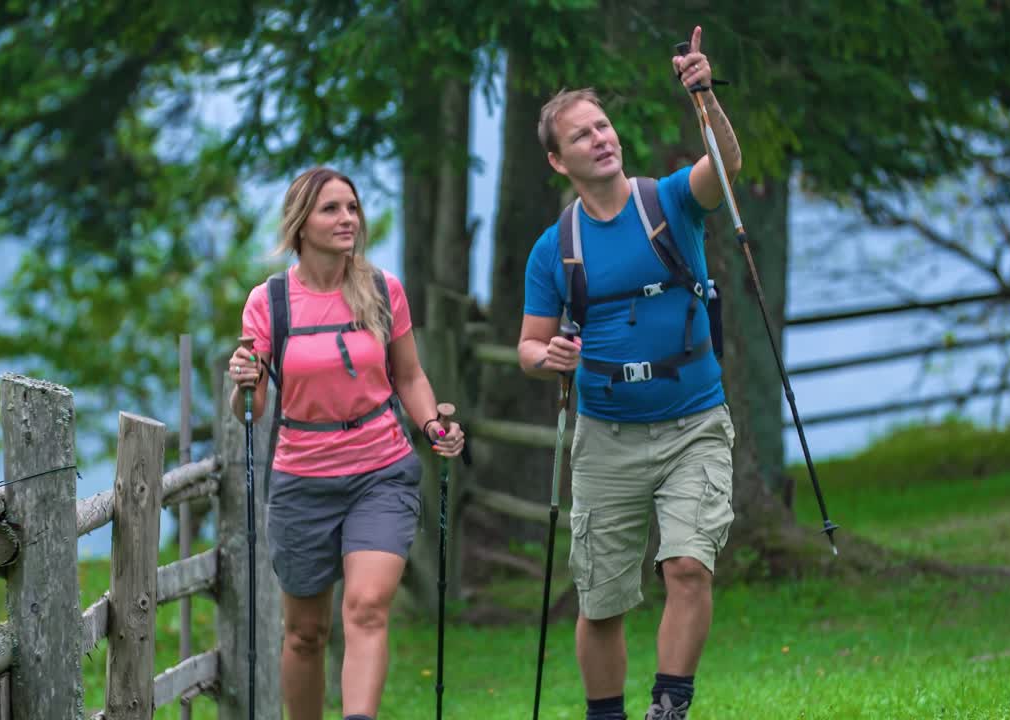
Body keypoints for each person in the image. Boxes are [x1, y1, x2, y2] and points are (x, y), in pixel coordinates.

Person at [517, 27, 740, 720]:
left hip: (694, 422)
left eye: (603, 126)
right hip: (606, 437)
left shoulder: (668, 201)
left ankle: (669, 708)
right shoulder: (555, 249)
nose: (601, 139)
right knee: (602, 600)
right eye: (582, 136)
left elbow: (725, 166)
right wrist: (545, 357)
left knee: (688, 566)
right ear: (559, 161)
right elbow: (529, 344)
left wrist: (703, 93)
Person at [228, 166, 466, 720]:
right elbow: (254, 409)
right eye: (331, 209)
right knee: (306, 633)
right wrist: (244, 377)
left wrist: (432, 427)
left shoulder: (383, 290)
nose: (347, 220)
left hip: (381, 471)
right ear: (301, 223)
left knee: (366, 608)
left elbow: (409, 377)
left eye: (352, 208)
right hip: (301, 481)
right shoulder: (269, 303)